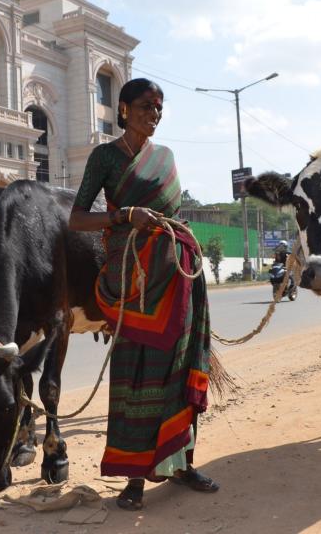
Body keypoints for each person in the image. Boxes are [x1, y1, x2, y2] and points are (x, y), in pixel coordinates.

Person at [69, 78, 219, 511]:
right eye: (144, 107)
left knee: (181, 369)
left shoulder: (166, 158)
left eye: (158, 108)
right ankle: (134, 478)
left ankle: (183, 463)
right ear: (122, 110)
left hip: (177, 278)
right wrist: (124, 215)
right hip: (132, 284)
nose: (153, 115)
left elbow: (172, 216)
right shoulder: (104, 158)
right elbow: (77, 219)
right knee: (134, 377)